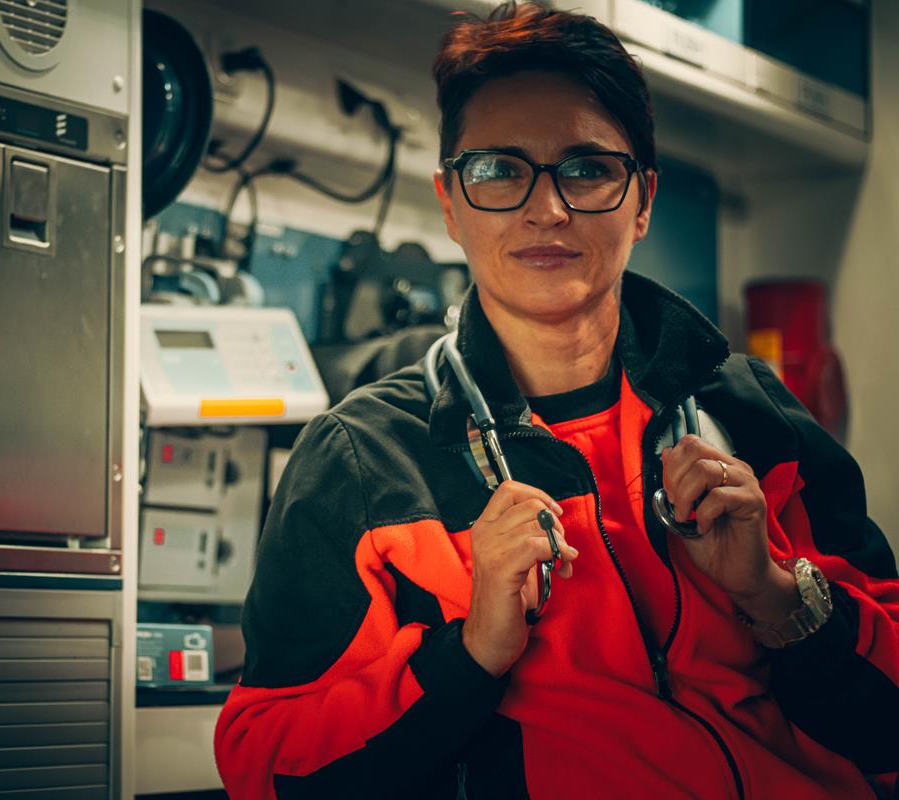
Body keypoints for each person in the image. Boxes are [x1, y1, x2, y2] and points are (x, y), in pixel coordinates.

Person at [213, 3, 899, 797]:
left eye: (587, 168)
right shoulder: (366, 459)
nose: (548, 208)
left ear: (642, 200)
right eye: (499, 170)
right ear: (450, 203)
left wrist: (775, 595)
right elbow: (264, 763)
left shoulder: (755, 416)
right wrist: (472, 653)